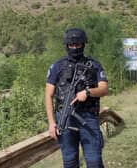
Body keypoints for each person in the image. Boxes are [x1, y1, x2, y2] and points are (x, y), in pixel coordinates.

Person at [45, 28, 108, 168]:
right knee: (70, 161)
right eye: (71, 45)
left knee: (94, 161)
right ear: (67, 45)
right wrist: (51, 123)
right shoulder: (57, 66)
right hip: (65, 118)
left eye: (77, 44)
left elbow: (104, 89)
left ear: (83, 45)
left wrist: (88, 92)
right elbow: (48, 95)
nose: (74, 47)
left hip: (88, 118)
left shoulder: (94, 65)